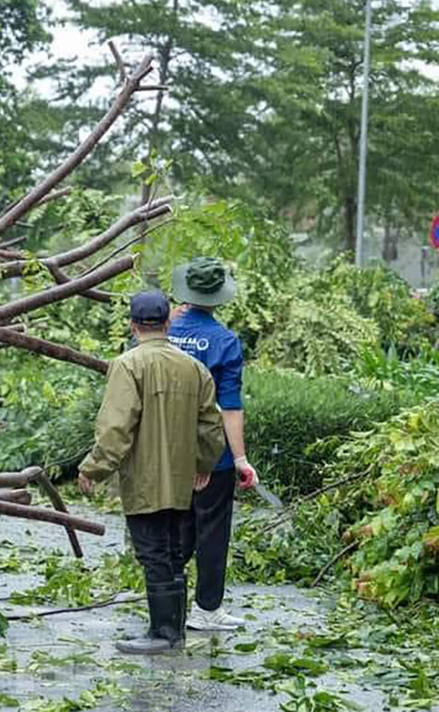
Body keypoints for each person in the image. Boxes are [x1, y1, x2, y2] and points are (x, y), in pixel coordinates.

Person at [77, 289, 225, 655]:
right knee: (174, 553)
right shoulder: (194, 367)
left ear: (132, 325)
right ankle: (172, 630)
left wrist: (93, 468)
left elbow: (116, 428)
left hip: (144, 479)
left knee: (154, 553)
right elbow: (211, 424)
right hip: (181, 482)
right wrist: (203, 465)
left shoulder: (128, 365)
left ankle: (164, 633)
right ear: (167, 322)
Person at [168, 257, 261, 632]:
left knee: (171, 528)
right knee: (211, 529)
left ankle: (166, 604)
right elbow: (230, 407)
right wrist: (240, 458)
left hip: (165, 450)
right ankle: (207, 609)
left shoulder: (162, 333)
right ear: (218, 297)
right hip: (213, 455)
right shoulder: (224, 341)